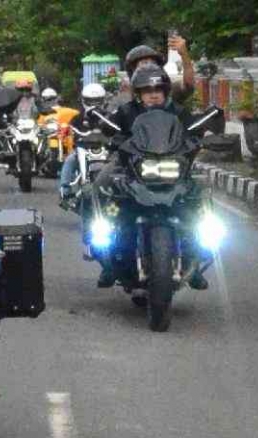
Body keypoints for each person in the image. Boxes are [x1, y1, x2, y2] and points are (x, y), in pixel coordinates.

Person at [90, 64, 206, 289]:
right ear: (138, 93)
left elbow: (194, 129)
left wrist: (205, 136)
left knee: (200, 192)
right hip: (131, 168)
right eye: (147, 90)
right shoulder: (126, 111)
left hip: (173, 168)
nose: (153, 94)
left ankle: (196, 262)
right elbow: (109, 128)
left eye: (158, 90)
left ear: (165, 92)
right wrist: (107, 137)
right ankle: (105, 259)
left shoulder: (178, 111)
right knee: (99, 186)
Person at [58, 83, 110, 200]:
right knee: (70, 160)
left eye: (97, 101)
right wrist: (67, 129)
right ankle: (65, 191)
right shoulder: (78, 117)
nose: (93, 105)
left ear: (103, 101)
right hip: (83, 148)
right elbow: (71, 127)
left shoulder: (109, 117)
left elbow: (117, 128)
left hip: (106, 148)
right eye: (90, 101)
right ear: (83, 101)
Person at [124, 34, 194, 104]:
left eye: (153, 62)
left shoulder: (166, 88)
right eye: (144, 63)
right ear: (132, 70)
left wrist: (184, 54)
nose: (150, 66)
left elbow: (188, 85)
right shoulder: (125, 99)